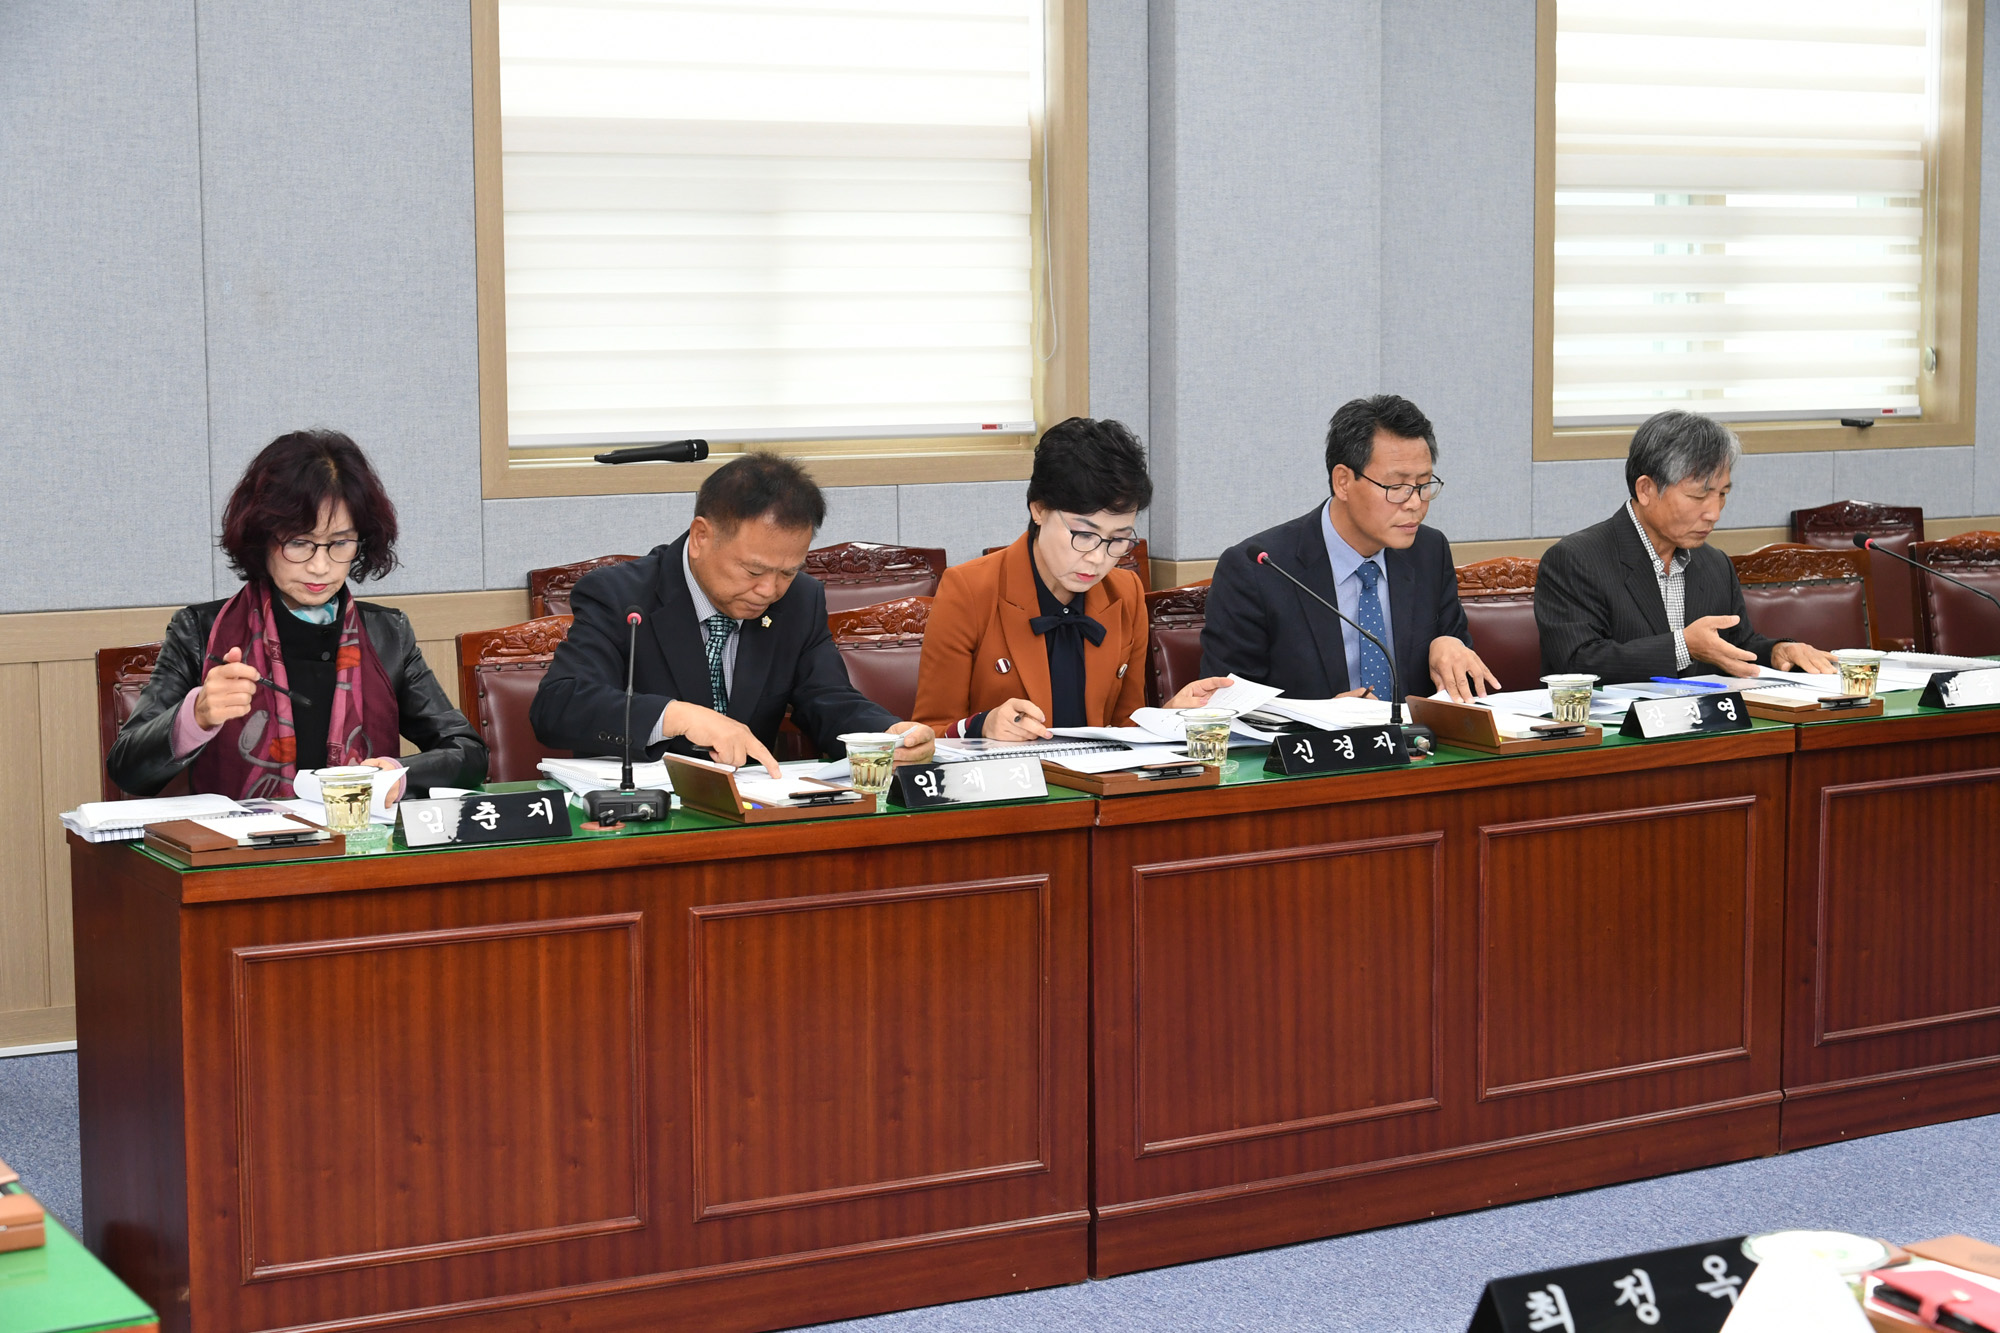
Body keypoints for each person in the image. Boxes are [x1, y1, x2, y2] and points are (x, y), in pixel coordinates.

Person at [108, 429, 487, 800]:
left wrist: (397, 776)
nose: (320, 566)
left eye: (340, 542)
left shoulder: (387, 633)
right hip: (243, 841)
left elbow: (468, 752)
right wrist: (196, 715)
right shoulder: (200, 631)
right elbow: (127, 770)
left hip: (360, 838)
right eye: (299, 542)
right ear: (262, 537)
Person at [529, 452, 935, 774]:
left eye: (787, 572)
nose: (770, 590)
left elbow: (827, 698)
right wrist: (676, 716)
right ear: (701, 537)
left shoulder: (800, 599)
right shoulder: (620, 596)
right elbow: (558, 706)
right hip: (644, 813)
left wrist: (886, 734)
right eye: (754, 571)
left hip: (748, 811)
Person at [914, 418, 1230, 740]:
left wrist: (1169, 718)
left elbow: (1123, 729)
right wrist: (982, 726)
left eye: (1118, 539)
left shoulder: (1125, 592)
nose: (1098, 558)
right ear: (1039, 509)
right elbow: (929, 734)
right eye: (1084, 534)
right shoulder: (968, 590)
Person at [1201, 394, 1498, 702]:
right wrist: (1321, 718)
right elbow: (1227, 704)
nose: (1414, 503)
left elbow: (1460, 686)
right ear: (1343, 481)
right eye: (1396, 487)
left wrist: (1449, 643)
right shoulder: (1259, 569)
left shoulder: (1429, 551)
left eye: (1423, 485)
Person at [1535, 410, 1839, 684]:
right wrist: (1682, 647)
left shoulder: (1715, 564)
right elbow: (1576, 664)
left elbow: (1736, 646)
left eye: (1722, 494)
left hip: (1704, 723)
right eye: (1698, 496)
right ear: (1646, 489)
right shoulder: (1576, 559)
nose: (1714, 513)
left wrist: (1776, 651)